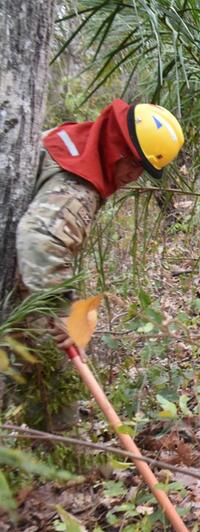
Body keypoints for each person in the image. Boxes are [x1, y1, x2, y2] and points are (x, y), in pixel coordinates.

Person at [13, 99, 184, 429]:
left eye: (143, 170)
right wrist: (60, 313)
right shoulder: (77, 188)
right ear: (117, 146)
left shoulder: (72, 141)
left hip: (21, 271)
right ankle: (59, 460)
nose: (134, 177)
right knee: (51, 363)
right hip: (27, 278)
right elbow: (39, 241)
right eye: (133, 164)